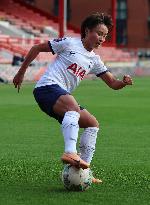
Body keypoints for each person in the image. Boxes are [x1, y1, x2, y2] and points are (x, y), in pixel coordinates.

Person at [13, 12, 133, 183]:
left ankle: (84, 173)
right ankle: (70, 151)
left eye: (105, 36)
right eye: (99, 33)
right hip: (46, 88)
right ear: (87, 30)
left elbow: (112, 83)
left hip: (60, 95)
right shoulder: (69, 43)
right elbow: (36, 48)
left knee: (92, 123)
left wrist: (124, 82)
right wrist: (20, 72)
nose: (101, 39)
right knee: (73, 106)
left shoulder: (95, 60)